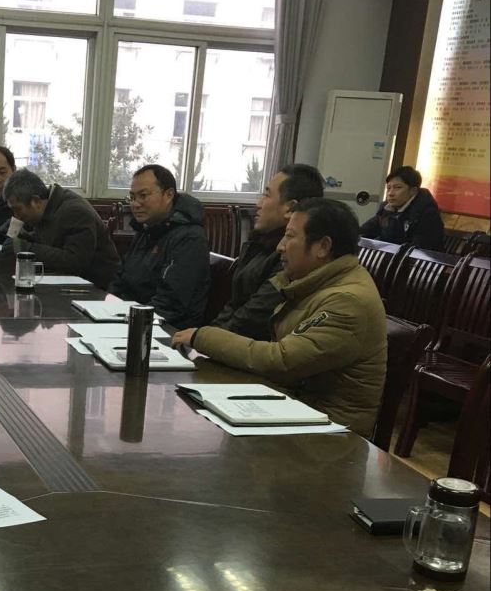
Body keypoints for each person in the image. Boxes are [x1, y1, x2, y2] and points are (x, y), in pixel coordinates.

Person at [172, 199, 387, 436]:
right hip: (297, 410)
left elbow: (282, 361)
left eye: (289, 236)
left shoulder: (347, 301)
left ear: (323, 247)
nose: (280, 247)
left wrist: (202, 337)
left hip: (331, 435)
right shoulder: (310, 282)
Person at [209, 164, 324, 339]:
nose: (258, 204)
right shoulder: (259, 243)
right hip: (230, 342)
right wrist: (204, 337)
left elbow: (252, 320)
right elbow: (234, 305)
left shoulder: (292, 258)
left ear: (290, 208)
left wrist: (204, 340)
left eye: (266, 195)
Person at [108, 165, 209, 329]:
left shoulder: (190, 238)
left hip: (166, 329)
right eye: (132, 197)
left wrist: (127, 321)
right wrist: (109, 308)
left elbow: (170, 304)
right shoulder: (146, 229)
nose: (135, 204)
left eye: (143, 196)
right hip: (132, 318)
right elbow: (120, 279)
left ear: (168, 195)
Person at [2, 169, 119, 289]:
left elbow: (75, 262)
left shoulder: (75, 211)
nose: (16, 216)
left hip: (96, 288)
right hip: (67, 283)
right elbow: (53, 242)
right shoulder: (47, 209)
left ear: (36, 201)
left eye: (18, 209)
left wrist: (25, 248)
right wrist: (26, 237)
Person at [359, 166, 445, 250]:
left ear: (413, 191)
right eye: (388, 188)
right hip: (391, 256)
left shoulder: (427, 213)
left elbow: (419, 248)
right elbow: (364, 231)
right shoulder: (386, 209)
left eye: (397, 188)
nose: (390, 193)